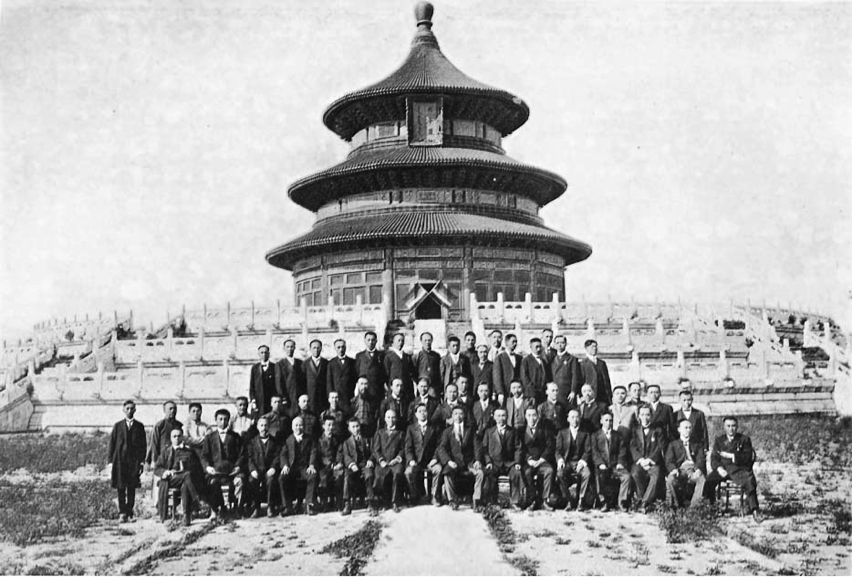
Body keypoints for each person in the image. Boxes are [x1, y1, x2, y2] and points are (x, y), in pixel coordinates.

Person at [705, 416, 762, 522]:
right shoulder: (719, 440)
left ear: (737, 427)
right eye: (728, 426)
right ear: (724, 427)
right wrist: (719, 468)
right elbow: (714, 458)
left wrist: (732, 456)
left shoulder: (744, 439)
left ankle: (755, 510)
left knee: (749, 481)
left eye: (733, 426)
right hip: (724, 469)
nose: (731, 429)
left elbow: (748, 457)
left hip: (739, 469)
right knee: (708, 481)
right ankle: (711, 509)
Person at [201, 408, 246, 520]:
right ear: (215, 420)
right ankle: (217, 509)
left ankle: (236, 509)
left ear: (229, 421)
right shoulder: (209, 438)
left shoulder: (235, 436)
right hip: (216, 472)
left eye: (225, 419)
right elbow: (204, 456)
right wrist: (208, 467)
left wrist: (238, 467)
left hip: (232, 472)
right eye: (220, 419)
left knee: (240, 482)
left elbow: (242, 454)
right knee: (212, 484)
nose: (223, 422)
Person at [437, 406, 484, 511]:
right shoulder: (447, 431)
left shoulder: (470, 430)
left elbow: (477, 447)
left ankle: (476, 500)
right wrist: (448, 461)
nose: (458, 416)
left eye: (460, 413)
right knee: (447, 473)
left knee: (480, 473)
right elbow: (442, 448)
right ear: (452, 416)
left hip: (469, 461)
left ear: (464, 415)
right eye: (455, 414)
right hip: (455, 461)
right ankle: (452, 500)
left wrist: (477, 460)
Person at [154, 428, 203, 525]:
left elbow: (198, 468)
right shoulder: (166, 452)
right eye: (174, 436)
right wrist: (165, 471)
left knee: (185, 485)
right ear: (171, 438)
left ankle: (186, 516)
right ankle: (196, 499)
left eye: (179, 436)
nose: (177, 438)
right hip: (171, 479)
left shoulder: (189, 452)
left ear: (183, 437)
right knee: (187, 475)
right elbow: (157, 468)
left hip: (186, 479)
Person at [108, 400, 147, 523]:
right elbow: (112, 444)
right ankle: (122, 512)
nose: (130, 411)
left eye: (132, 408)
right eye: (127, 408)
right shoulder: (118, 426)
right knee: (120, 487)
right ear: (123, 410)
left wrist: (141, 462)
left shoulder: (139, 426)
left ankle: (130, 512)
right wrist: (110, 462)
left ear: (135, 410)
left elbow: (143, 446)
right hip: (120, 461)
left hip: (133, 462)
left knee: (132, 487)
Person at [480, 408, 523, 508]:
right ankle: (493, 501)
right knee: (490, 475)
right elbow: (484, 449)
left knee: (516, 474)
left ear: (507, 417)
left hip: (509, 463)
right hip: (494, 463)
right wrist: (488, 462)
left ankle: (514, 501)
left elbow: (518, 448)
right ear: (494, 417)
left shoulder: (513, 431)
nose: (501, 418)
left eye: (503, 415)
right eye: (498, 416)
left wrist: (517, 462)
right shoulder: (489, 432)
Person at [278, 415, 318, 516]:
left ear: (303, 426)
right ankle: (287, 507)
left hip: (304, 467)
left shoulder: (309, 439)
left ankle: (308, 505)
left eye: (300, 425)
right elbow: (283, 454)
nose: (298, 427)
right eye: (296, 425)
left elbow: (314, 452)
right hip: (292, 468)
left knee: (312, 476)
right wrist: (285, 465)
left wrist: (311, 465)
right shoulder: (288, 440)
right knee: (282, 478)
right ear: (292, 427)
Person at [591, 412, 631, 512]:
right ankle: (604, 502)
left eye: (610, 420)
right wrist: (600, 463)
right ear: (601, 421)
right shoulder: (595, 435)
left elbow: (622, 450)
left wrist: (620, 462)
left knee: (626, 477)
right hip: (602, 466)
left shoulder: (617, 435)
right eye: (606, 420)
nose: (608, 423)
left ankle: (621, 501)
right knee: (599, 477)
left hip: (614, 465)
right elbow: (594, 452)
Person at [629, 405, 665, 513]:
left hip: (653, 462)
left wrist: (649, 460)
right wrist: (640, 460)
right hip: (640, 462)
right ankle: (643, 499)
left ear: (652, 416)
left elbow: (660, 447)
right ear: (638, 416)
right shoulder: (635, 430)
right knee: (635, 473)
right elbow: (632, 446)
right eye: (642, 415)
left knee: (656, 474)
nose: (645, 417)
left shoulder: (658, 430)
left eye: (648, 415)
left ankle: (643, 503)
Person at [404, 403, 442, 506]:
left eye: (424, 411)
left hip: (431, 460)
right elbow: (408, 447)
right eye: (420, 411)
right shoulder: (411, 428)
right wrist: (411, 460)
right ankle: (414, 496)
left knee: (438, 469)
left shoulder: (434, 427)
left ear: (428, 413)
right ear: (416, 414)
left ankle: (434, 496)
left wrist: (435, 459)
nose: (422, 413)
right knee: (408, 472)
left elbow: (439, 446)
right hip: (416, 460)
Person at [664, 419, 706, 509]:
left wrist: (698, 469)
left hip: (693, 469)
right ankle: (677, 505)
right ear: (679, 429)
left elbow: (701, 458)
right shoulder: (673, 444)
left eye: (690, 428)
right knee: (671, 479)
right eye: (685, 428)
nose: (688, 430)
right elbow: (669, 461)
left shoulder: (697, 444)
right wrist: (674, 469)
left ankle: (694, 507)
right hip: (680, 470)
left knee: (701, 479)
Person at [519, 406, 555, 511]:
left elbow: (550, 446)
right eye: (529, 415)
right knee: (527, 473)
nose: (532, 418)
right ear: (525, 416)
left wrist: (541, 460)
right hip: (528, 462)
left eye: (534, 415)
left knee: (549, 471)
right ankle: (533, 500)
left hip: (541, 461)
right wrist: (528, 459)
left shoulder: (545, 430)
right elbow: (520, 448)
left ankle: (545, 500)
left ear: (538, 416)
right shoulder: (520, 431)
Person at [556, 409, 591, 511]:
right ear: (568, 419)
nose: (575, 420)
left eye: (577, 417)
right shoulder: (562, 433)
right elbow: (558, 450)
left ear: (580, 418)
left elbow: (587, 450)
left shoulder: (585, 433)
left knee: (587, 474)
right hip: (567, 462)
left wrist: (582, 462)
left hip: (579, 462)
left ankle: (581, 500)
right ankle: (569, 500)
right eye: (572, 417)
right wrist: (560, 460)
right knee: (560, 474)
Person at [371, 409, 406, 513]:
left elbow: (403, 449)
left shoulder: (401, 433)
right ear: (385, 419)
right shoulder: (379, 433)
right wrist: (381, 460)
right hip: (383, 462)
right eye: (389, 417)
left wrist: (397, 459)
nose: (391, 420)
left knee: (397, 473)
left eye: (393, 417)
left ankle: (394, 501)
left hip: (395, 462)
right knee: (379, 476)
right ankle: (383, 501)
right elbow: (375, 450)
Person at [246, 416, 280, 517]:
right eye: (261, 425)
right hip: (257, 470)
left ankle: (270, 506)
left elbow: (277, 456)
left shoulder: (274, 442)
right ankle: (256, 507)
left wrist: (273, 467)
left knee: (271, 480)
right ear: (257, 427)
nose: (263, 428)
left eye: (266, 425)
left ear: (269, 426)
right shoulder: (252, 442)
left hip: (269, 470)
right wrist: (252, 470)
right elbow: (250, 457)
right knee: (252, 480)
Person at [340, 418, 374, 516]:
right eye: (353, 427)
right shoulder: (346, 442)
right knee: (347, 477)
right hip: (353, 465)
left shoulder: (367, 439)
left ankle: (370, 503)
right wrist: (351, 464)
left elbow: (373, 452)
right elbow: (346, 456)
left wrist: (370, 460)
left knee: (369, 475)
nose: (356, 429)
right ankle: (347, 504)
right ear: (349, 429)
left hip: (365, 464)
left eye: (357, 426)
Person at [317, 415, 344, 512]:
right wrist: (330, 464)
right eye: (328, 425)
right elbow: (320, 455)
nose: (331, 427)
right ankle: (324, 503)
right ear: (323, 426)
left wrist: (339, 463)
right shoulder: (319, 440)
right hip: (323, 466)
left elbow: (339, 452)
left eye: (333, 425)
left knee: (339, 476)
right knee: (323, 477)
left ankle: (338, 503)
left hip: (335, 464)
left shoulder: (337, 439)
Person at [147, 400, 183, 468]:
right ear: (164, 410)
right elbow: (154, 444)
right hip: (163, 458)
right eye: (170, 409)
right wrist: (154, 461)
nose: (173, 410)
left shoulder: (179, 425)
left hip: (177, 457)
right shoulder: (160, 425)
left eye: (174, 408)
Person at [250, 344, 283, 417]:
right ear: (258, 354)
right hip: (259, 400)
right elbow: (252, 385)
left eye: (265, 352)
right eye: (262, 352)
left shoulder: (275, 367)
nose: (264, 354)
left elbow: (278, 384)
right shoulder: (255, 368)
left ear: (269, 354)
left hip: (271, 399)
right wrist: (253, 400)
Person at [579, 339, 612, 406]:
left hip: (602, 396)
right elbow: (580, 381)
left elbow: (607, 381)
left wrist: (609, 396)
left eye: (596, 346)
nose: (595, 348)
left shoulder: (602, 363)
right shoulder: (582, 364)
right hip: (589, 396)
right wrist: (581, 396)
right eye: (592, 347)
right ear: (586, 348)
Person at [354, 331, 386, 401]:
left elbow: (384, 372)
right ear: (365, 341)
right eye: (368, 340)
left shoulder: (381, 355)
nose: (371, 342)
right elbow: (356, 373)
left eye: (373, 340)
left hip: (378, 389)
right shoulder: (360, 356)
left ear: (376, 341)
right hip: (364, 390)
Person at [551, 335, 581, 407]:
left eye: (562, 343)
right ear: (554, 344)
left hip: (567, 393)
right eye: (557, 343)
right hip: (556, 392)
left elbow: (575, 376)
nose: (560, 345)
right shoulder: (552, 359)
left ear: (566, 344)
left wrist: (573, 391)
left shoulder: (571, 359)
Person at [384, 333, 414, 405]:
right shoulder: (389, 356)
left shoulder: (407, 357)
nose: (400, 343)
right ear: (393, 342)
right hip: (394, 388)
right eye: (398, 340)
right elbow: (386, 374)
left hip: (405, 388)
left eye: (402, 341)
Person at [326, 338, 356, 410]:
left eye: (343, 347)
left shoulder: (352, 362)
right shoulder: (331, 363)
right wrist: (331, 397)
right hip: (336, 396)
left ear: (345, 348)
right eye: (338, 347)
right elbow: (329, 381)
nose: (341, 349)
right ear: (335, 348)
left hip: (349, 395)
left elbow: (355, 379)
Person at [493, 333, 522, 405]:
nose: (515, 344)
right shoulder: (499, 357)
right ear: (506, 343)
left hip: (517, 392)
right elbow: (497, 376)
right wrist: (500, 392)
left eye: (516, 342)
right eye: (513, 342)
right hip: (505, 391)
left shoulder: (519, 358)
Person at [521, 337, 551, 405]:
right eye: (536, 347)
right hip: (531, 395)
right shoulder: (526, 361)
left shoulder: (544, 361)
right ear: (531, 347)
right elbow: (525, 378)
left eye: (540, 347)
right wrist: (532, 393)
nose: (539, 349)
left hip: (543, 394)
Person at [278, 338, 304, 410]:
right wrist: (283, 397)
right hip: (287, 396)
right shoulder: (280, 364)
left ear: (294, 348)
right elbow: (279, 382)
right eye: (288, 347)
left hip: (298, 396)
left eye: (292, 347)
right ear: (284, 348)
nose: (290, 349)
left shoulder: (300, 363)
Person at [413, 332, 441, 397]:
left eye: (429, 340)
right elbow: (414, 372)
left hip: (433, 387)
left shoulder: (436, 356)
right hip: (422, 386)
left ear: (432, 341)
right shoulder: (417, 356)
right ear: (421, 341)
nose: (427, 342)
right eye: (425, 340)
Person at [304, 339, 328, 413]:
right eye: (314, 348)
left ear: (321, 348)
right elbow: (302, 381)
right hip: (310, 396)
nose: (316, 350)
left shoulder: (326, 363)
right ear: (310, 349)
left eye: (318, 348)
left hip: (323, 396)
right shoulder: (305, 363)